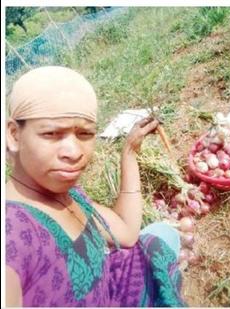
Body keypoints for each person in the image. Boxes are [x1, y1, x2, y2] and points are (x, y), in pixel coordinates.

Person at [5, 66, 185, 307]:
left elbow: (127, 232)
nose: (74, 152)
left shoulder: (68, 196)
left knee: (164, 233)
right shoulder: (12, 232)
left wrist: (130, 151)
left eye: (85, 134)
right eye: (51, 133)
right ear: (14, 135)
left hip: (112, 291)